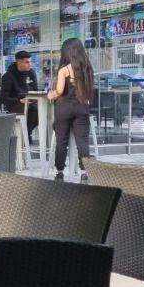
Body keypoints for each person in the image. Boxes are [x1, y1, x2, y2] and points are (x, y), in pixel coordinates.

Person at [48, 38, 94, 183]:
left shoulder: (64, 70)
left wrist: (51, 94)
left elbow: (59, 91)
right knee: (82, 141)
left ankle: (60, 172)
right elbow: (88, 91)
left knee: (61, 141)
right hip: (81, 107)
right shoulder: (87, 68)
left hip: (64, 108)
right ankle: (84, 172)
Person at [1, 50, 39, 136]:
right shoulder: (8, 76)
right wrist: (19, 101)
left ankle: (26, 133)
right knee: (34, 109)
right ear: (18, 62)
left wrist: (32, 98)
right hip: (15, 104)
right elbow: (4, 98)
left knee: (44, 108)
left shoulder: (31, 72)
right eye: (27, 62)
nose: (30, 64)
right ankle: (26, 135)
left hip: (30, 101)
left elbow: (36, 90)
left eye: (30, 62)